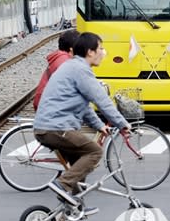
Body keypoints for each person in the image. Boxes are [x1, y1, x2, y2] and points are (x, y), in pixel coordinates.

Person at [33, 32, 130, 210]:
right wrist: (122, 123)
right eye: (101, 48)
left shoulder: (73, 67)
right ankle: (62, 185)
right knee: (94, 152)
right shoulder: (80, 70)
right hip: (55, 128)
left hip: (49, 127)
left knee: (80, 160)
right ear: (90, 52)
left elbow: (84, 106)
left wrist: (99, 125)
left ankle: (75, 204)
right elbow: (101, 100)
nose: (103, 52)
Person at [33, 29, 80, 110]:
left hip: (45, 103)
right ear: (72, 49)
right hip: (49, 107)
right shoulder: (65, 63)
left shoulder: (61, 58)